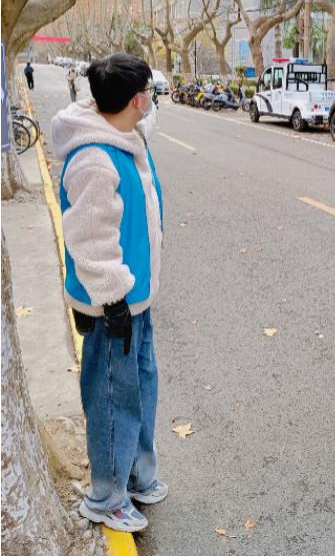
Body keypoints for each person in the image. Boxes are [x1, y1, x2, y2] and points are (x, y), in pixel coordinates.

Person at [52, 53, 166, 532]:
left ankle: (138, 475)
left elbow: (146, 118)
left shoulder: (125, 131)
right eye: (149, 94)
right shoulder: (95, 159)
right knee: (113, 399)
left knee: (141, 388)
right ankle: (106, 496)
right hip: (112, 306)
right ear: (135, 100)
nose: (153, 102)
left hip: (136, 300)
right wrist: (113, 299)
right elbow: (90, 240)